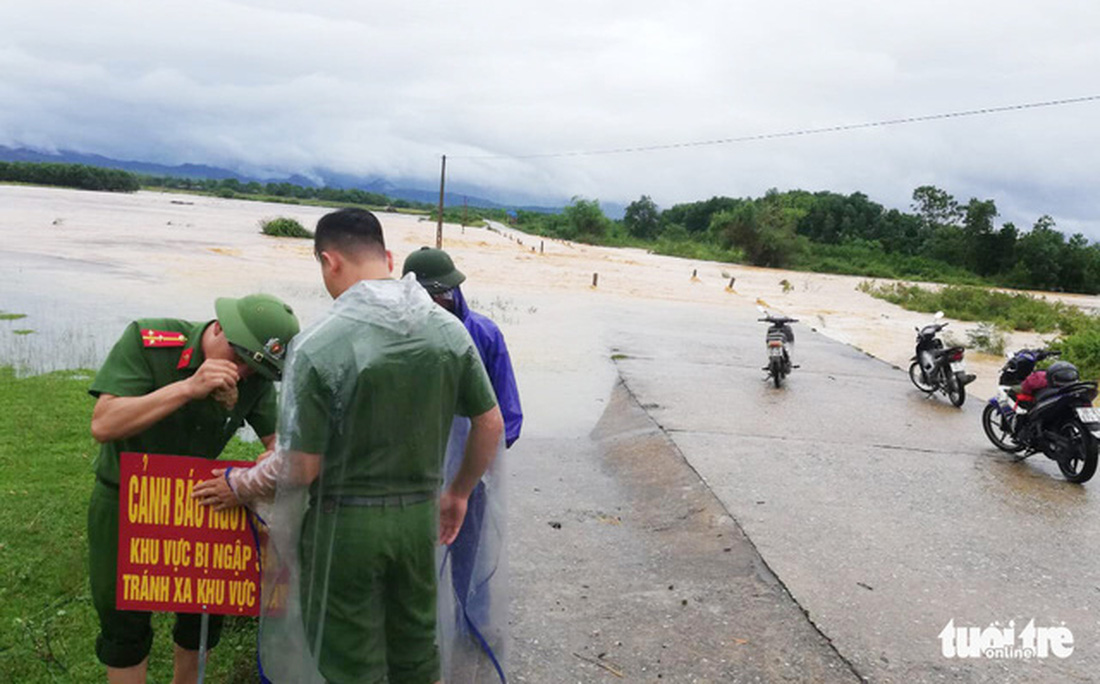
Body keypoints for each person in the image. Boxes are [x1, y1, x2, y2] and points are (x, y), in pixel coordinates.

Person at [193, 208, 504, 684]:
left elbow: (300, 467)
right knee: (416, 651)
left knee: (349, 661)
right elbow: (490, 423)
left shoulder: (320, 343)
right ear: (389, 256)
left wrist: (241, 484)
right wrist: (458, 493)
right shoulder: (448, 332)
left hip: (346, 529)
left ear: (329, 261)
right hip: (419, 520)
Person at [87, 293, 300, 683]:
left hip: (200, 503)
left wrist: (251, 479)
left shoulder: (253, 376)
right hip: (125, 498)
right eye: (237, 360)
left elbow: (278, 449)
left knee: (200, 616)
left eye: (256, 370)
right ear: (219, 328)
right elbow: (103, 425)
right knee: (123, 624)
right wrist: (187, 388)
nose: (241, 373)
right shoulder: (149, 340)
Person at [402, 247, 521, 672]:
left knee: (467, 556)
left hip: (466, 477)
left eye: (446, 294)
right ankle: (418, 633)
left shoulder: (483, 335)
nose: (441, 302)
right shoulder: (399, 335)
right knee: (414, 559)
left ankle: (471, 627)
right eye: (432, 295)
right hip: (411, 476)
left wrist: (476, 469)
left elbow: (506, 414)